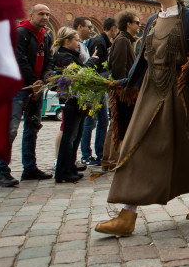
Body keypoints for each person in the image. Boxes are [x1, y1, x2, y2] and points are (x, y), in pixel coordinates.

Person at [94, 0, 189, 237]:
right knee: (136, 144)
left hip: (179, 96)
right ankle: (127, 214)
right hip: (149, 94)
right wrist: (122, 83)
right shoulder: (153, 21)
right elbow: (142, 61)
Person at [0, 4, 55, 187]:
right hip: (19, 88)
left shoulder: (46, 35)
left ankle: (30, 168)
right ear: (31, 15)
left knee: (32, 128)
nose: (45, 17)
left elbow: (49, 60)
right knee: (10, 131)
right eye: (41, 14)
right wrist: (33, 81)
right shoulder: (20, 33)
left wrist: (45, 79)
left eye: (47, 14)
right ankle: (2, 173)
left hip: (36, 89)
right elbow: (18, 58)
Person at [52, 27, 99, 183]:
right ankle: (63, 171)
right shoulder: (64, 56)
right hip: (70, 101)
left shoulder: (70, 55)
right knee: (69, 136)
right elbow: (78, 75)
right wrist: (92, 61)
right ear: (67, 41)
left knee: (76, 135)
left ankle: (70, 167)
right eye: (76, 40)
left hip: (76, 101)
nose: (78, 43)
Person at [100, 10, 138, 173]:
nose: (139, 26)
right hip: (122, 90)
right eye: (137, 22)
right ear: (128, 24)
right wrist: (123, 89)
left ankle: (109, 160)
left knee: (116, 124)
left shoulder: (124, 40)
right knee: (118, 124)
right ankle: (112, 160)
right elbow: (119, 67)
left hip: (122, 88)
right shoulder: (122, 40)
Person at [81, 17, 117, 166]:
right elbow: (94, 68)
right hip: (95, 89)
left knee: (102, 121)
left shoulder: (103, 43)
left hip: (100, 88)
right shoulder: (99, 42)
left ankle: (100, 153)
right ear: (113, 28)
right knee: (90, 122)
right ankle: (86, 155)